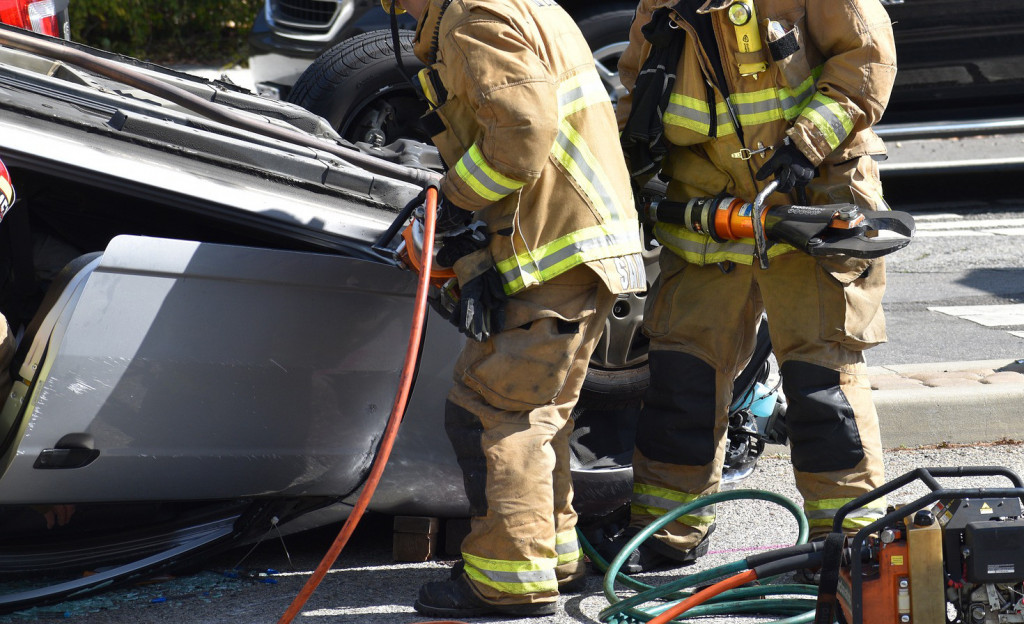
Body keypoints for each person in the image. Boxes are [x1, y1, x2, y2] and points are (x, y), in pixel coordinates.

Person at [604, 0, 898, 573]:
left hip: (812, 201)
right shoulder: (663, 5)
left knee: (821, 383)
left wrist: (806, 144)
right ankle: (667, 532)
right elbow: (638, 90)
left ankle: (849, 540)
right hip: (707, 210)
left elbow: (865, 64)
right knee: (681, 377)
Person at [384, 0, 646, 616]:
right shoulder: (519, 5)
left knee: (494, 410)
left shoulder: (473, 18)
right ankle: (552, 556)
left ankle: (507, 581)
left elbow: (523, 133)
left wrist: (451, 200)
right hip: (575, 244)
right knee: (538, 411)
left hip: (554, 248)